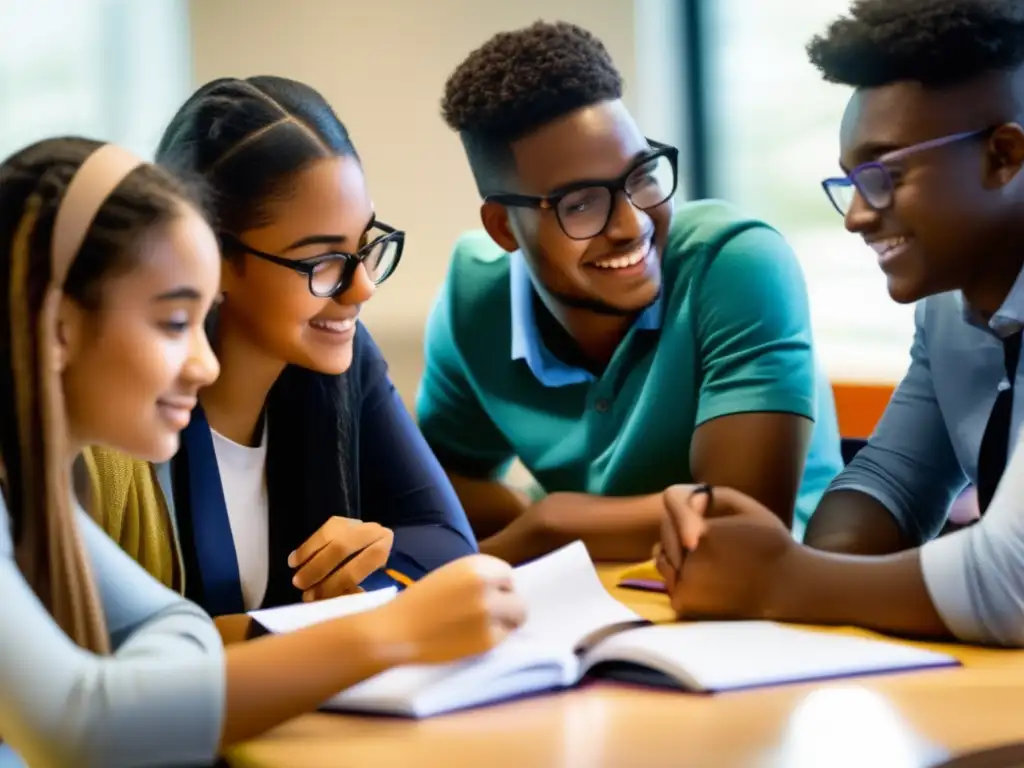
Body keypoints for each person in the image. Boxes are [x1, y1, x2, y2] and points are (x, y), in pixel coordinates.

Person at [0, 138, 525, 767]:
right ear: (59, 325)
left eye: (202, 322)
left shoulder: (44, 484)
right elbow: (86, 727)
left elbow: (175, 630)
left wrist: (141, 684)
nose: (205, 363)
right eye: (173, 324)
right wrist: (389, 633)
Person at [655, 0, 1024, 647]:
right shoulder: (949, 308)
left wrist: (780, 578)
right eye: (851, 181)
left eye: (884, 175)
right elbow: (889, 481)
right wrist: (786, 557)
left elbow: (1011, 581)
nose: (855, 215)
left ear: (1004, 156)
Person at [416, 20, 844, 565]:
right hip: (592, 600)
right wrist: (540, 520)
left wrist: (552, 527)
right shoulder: (473, 298)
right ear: (503, 228)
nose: (632, 223)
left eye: (642, 175)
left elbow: (741, 523)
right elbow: (436, 486)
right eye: (581, 203)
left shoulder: (736, 262)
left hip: (769, 610)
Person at [85, 76, 479, 635]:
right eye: (322, 261)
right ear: (209, 255)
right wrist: (345, 628)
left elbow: (448, 542)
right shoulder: (118, 427)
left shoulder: (338, 359)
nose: (361, 287)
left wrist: (373, 565)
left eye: (366, 245)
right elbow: (110, 647)